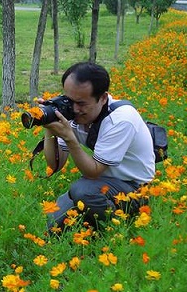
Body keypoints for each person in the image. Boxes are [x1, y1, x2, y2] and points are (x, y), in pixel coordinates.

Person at [40, 62, 155, 233]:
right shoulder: (74, 112)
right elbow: (55, 164)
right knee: (53, 225)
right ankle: (95, 219)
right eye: (68, 100)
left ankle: (115, 231)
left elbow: (93, 171)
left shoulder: (121, 120)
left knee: (83, 191)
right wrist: (48, 127)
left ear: (102, 98)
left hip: (135, 189)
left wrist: (70, 138)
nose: (74, 109)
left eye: (81, 103)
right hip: (103, 182)